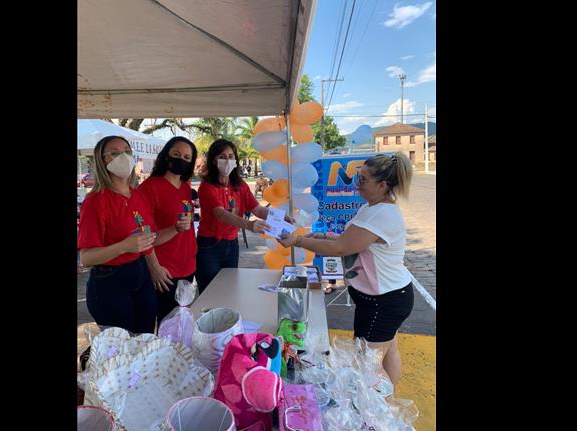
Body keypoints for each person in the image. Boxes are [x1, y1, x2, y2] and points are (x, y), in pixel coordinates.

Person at [277, 152, 414, 387]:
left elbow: (341, 248)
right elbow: (352, 241)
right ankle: (387, 406)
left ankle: (377, 415)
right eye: (357, 177)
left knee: (368, 364)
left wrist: (298, 241)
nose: (356, 184)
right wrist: (321, 236)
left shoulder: (381, 213)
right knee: (388, 349)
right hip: (390, 296)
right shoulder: (375, 207)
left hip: (382, 301)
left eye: (363, 180)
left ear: (382, 185)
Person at [78, 136, 158, 334]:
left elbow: (145, 236)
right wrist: (124, 246)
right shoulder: (96, 201)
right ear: (102, 159)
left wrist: (155, 266)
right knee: (121, 348)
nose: (123, 157)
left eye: (127, 152)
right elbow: (86, 257)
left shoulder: (137, 194)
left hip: (140, 274)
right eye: (115, 153)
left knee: (145, 337)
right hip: (110, 281)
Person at [196, 139, 294, 293]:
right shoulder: (207, 186)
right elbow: (220, 214)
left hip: (232, 244)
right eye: (222, 156)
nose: (227, 160)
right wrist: (249, 225)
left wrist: (280, 216)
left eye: (230, 156)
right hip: (209, 246)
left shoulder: (239, 184)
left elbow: (257, 209)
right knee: (210, 291)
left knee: (229, 288)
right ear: (214, 160)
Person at [137, 137, 199, 325]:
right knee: (166, 323)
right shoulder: (149, 188)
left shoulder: (186, 188)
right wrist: (154, 267)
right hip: (165, 270)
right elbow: (144, 237)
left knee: (181, 321)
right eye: (176, 154)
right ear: (166, 156)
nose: (181, 159)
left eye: (187, 157)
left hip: (187, 266)